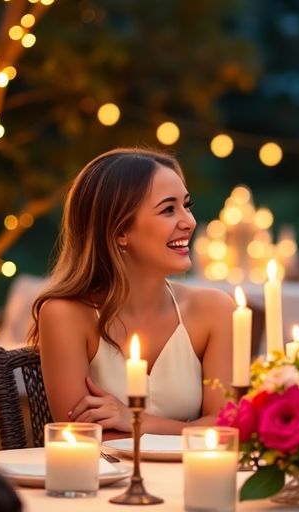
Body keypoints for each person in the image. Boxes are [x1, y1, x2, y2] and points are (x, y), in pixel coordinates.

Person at [29, 147, 235, 439]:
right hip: (103, 483)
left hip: (196, 481)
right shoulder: (65, 315)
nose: (188, 222)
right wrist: (190, 431)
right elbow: (80, 438)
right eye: (168, 209)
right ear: (119, 232)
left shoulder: (214, 310)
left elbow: (228, 429)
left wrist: (139, 422)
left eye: (186, 205)